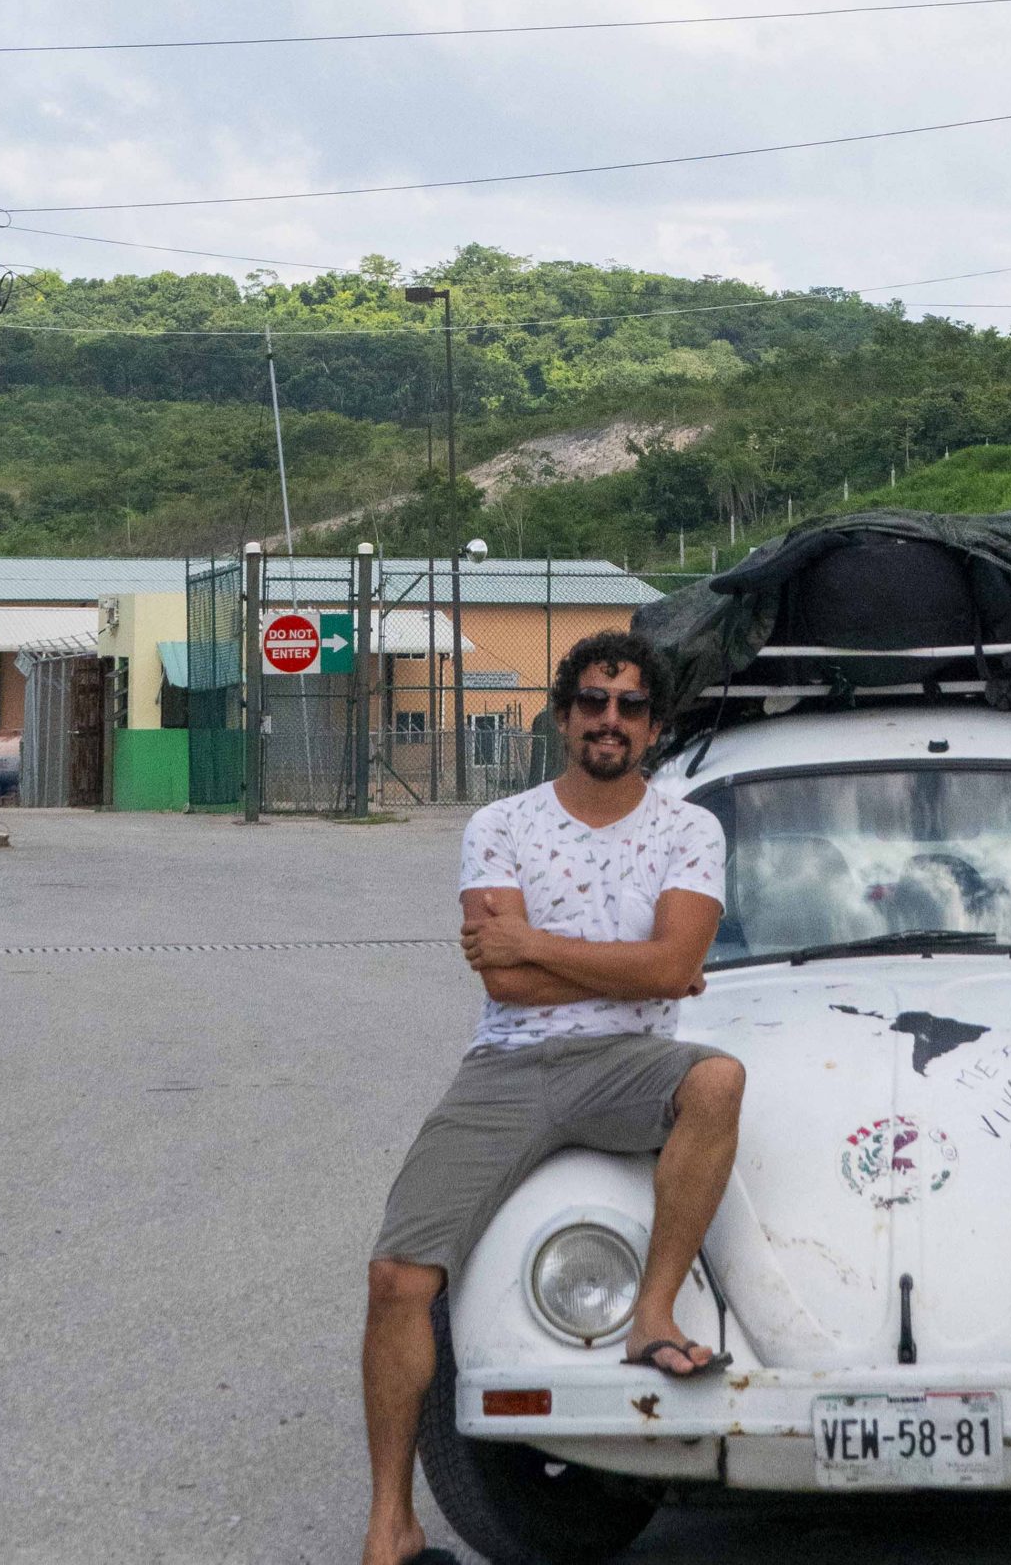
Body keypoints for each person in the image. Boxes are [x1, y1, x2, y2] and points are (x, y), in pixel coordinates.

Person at [359, 628, 744, 1565]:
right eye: (593, 701)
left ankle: (652, 1315)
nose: (610, 719)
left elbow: (677, 964)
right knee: (398, 1278)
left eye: (631, 705)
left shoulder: (690, 827)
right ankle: (391, 1525)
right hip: (509, 1068)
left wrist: (540, 945)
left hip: (629, 1064)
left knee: (719, 1080)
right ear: (563, 715)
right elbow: (508, 989)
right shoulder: (501, 825)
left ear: (652, 727)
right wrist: (640, 972)